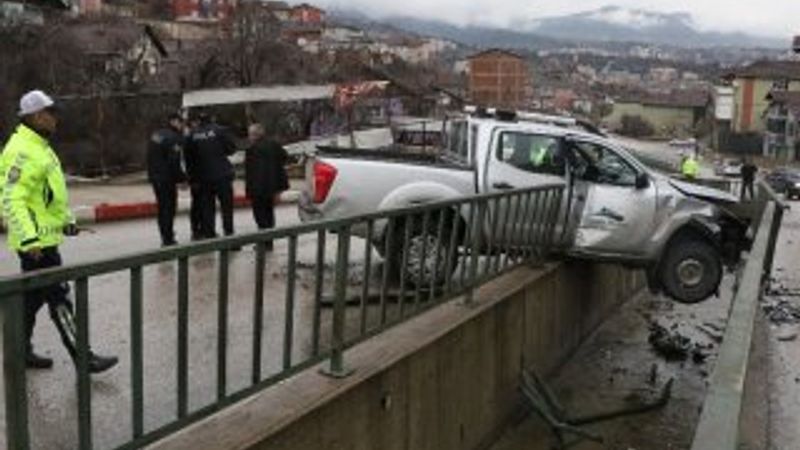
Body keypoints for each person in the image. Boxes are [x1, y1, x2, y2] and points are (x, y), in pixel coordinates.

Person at [0, 90, 118, 372]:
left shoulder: (40, 147)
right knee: (59, 299)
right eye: (52, 113)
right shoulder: (22, 150)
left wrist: (65, 222)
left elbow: (48, 196)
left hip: (44, 238)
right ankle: (83, 357)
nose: (56, 119)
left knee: (31, 299)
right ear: (37, 116)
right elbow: (12, 198)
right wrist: (29, 238)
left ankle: (19, 351)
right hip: (36, 244)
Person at [185, 112, 237, 239]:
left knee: (207, 208)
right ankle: (229, 234)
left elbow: (189, 159)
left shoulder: (192, 135)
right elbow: (232, 149)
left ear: (199, 121)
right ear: (212, 119)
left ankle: (210, 234)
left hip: (203, 178)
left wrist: (192, 179)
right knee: (226, 207)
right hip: (222, 175)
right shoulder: (221, 131)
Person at [245, 123, 289, 249]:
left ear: (254, 135)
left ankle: (264, 242)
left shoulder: (251, 150)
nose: (249, 137)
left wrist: (249, 191)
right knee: (269, 213)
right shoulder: (273, 144)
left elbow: (251, 173)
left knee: (260, 216)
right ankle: (269, 242)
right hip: (272, 186)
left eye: (250, 134)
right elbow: (285, 156)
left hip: (258, 188)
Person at [147, 113, 186, 246]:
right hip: (167, 179)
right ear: (174, 121)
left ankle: (165, 235)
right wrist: (181, 179)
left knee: (162, 208)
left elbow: (150, 156)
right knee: (169, 208)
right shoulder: (174, 138)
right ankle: (168, 238)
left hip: (155, 178)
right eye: (181, 123)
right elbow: (174, 161)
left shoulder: (156, 135)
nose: (182, 126)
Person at [183, 115, 204, 240]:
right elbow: (189, 162)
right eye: (195, 123)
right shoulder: (190, 139)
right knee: (197, 205)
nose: (197, 125)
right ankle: (195, 230)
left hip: (201, 176)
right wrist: (192, 179)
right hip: (196, 177)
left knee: (202, 204)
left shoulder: (194, 137)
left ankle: (201, 229)